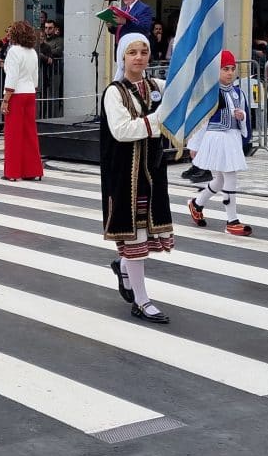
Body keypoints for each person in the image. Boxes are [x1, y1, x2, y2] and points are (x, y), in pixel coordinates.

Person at [100, 32, 173, 324]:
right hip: (126, 173)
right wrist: (159, 121)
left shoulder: (157, 86)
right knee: (136, 236)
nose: (139, 57)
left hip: (152, 170)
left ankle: (124, 267)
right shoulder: (114, 92)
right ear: (122, 57)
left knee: (145, 233)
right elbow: (122, 130)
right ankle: (141, 301)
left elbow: (184, 93)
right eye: (133, 52)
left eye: (144, 51)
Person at [186, 50, 253, 236]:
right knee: (229, 177)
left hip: (230, 138)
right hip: (216, 138)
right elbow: (202, 120)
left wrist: (242, 116)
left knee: (220, 179)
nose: (230, 72)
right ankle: (232, 220)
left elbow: (243, 116)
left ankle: (196, 203)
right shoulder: (211, 93)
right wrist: (194, 145)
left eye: (232, 69)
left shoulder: (238, 92)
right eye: (225, 69)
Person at [1, 21, 44, 181]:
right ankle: (32, 170)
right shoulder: (32, 51)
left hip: (16, 94)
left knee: (13, 134)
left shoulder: (13, 51)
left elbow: (11, 77)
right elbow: (35, 77)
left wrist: (6, 99)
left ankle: (13, 172)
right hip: (30, 92)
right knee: (29, 133)